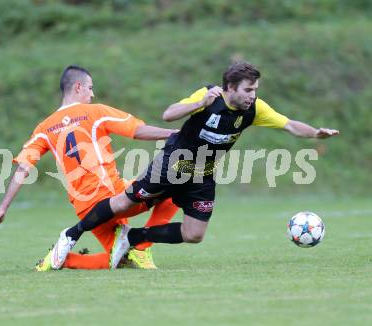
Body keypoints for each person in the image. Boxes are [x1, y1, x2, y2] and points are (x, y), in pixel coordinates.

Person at [49, 61, 340, 269]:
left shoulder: (255, 109)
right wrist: (199, 103)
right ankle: (71, 234)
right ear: (230, 88)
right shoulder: (207, 97)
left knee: (194, 235)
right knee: (124, 203)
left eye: (255, 89)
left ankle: (134, 237)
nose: (253, 95)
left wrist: (315, 132)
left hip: (203, 175)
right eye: (248, 89)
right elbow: (168, 114)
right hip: (173, 164)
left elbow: (289, 125)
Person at [0, 65, 179, 270]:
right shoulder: (96, 112)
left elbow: (23, 168)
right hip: (113, 196)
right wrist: (174, 133)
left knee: (120, 259)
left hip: (86, 210)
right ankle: (143, 247)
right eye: (90, 88)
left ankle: (69, 260)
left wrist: (2, 209)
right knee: (177, 190)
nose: (92, 93)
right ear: (78, 87)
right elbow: (138, 131)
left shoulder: (44, 128)